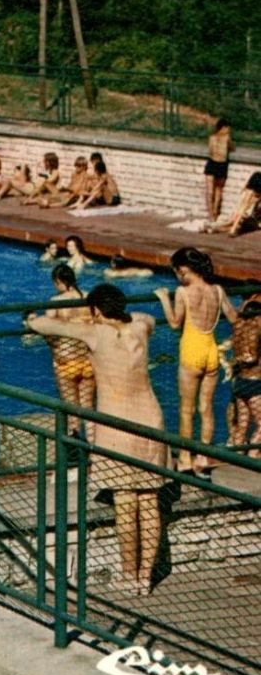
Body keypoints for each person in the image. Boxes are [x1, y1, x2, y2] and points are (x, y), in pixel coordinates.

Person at [26, 286, 167, 597]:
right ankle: (146, 576)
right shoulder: (141, 327)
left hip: (116, 424)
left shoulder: (94, 334)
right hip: (151, 419)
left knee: (125, 501)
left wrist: (31, 319)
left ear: (96, 311)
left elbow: (45, 325)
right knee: (149, 500)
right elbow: (147, 317)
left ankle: (129, 574)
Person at [155, 247, 238, 475]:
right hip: (211, 350)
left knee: (186, 409)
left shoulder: (183, 292)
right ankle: (202, 456)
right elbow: (234, 317)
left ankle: (184, 457)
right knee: (206, 408)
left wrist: (164, 298)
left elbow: (174, 322)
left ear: (183, 270)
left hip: (192, 351)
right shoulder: (218, 290)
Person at [42, 264, 97, 441]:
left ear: (59, 281)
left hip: (66, 360)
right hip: (88, 359)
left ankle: (75, 452)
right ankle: (93, 452)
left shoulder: (56, 302)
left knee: (71, 409)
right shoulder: (89, 298)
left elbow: (46, 329)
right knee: (88, 407)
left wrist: (54, 348)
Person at [230, 296, 261, 456]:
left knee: (242, 424)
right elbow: (252, 357)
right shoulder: (255, 330)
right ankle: (253, 455)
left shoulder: (238, 327)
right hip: (255, 382)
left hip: (240, 381)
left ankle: (236, 455)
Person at [205, 119, 232, 224]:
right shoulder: (227, 138)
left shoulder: (212, 138)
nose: (229, 130)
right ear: (223, 128)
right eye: (228, 128)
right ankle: (215, 213)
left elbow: (210, 150)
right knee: (218, 190)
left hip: (212, 162)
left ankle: (211, 215)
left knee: (210, 190)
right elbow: (232, 148)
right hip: (221, 164)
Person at [220, 171, 261, 236]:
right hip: (248, 213)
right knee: (242, 211)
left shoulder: (256, 174)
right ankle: (232, 229)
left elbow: (246, 186)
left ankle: (226, 228)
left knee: (240, 211)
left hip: (249, 191)